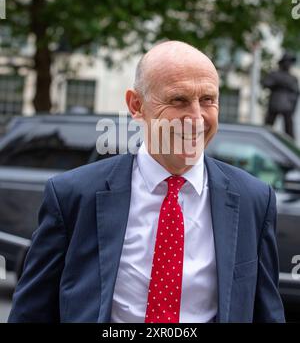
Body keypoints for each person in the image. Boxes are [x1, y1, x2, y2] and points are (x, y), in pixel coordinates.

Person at [8, 41, 285, 323]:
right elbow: (31, 312)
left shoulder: (254, 200)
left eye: (207, 100)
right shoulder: (73, 195)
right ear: (136, 105)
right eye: (178, 100)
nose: (196, 117)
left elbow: (267, 312)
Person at [263, 52, 299, 138]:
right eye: (287, 61)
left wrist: (293, 108)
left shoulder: (293, 78)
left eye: (290, 62)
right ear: (282, 63)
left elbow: (296, 93)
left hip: (287, 106)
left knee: (289, 131)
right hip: (275, 104)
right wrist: (279, 83)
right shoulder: (275, 74)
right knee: (267, 127)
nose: (289, 64)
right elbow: (266, 83)